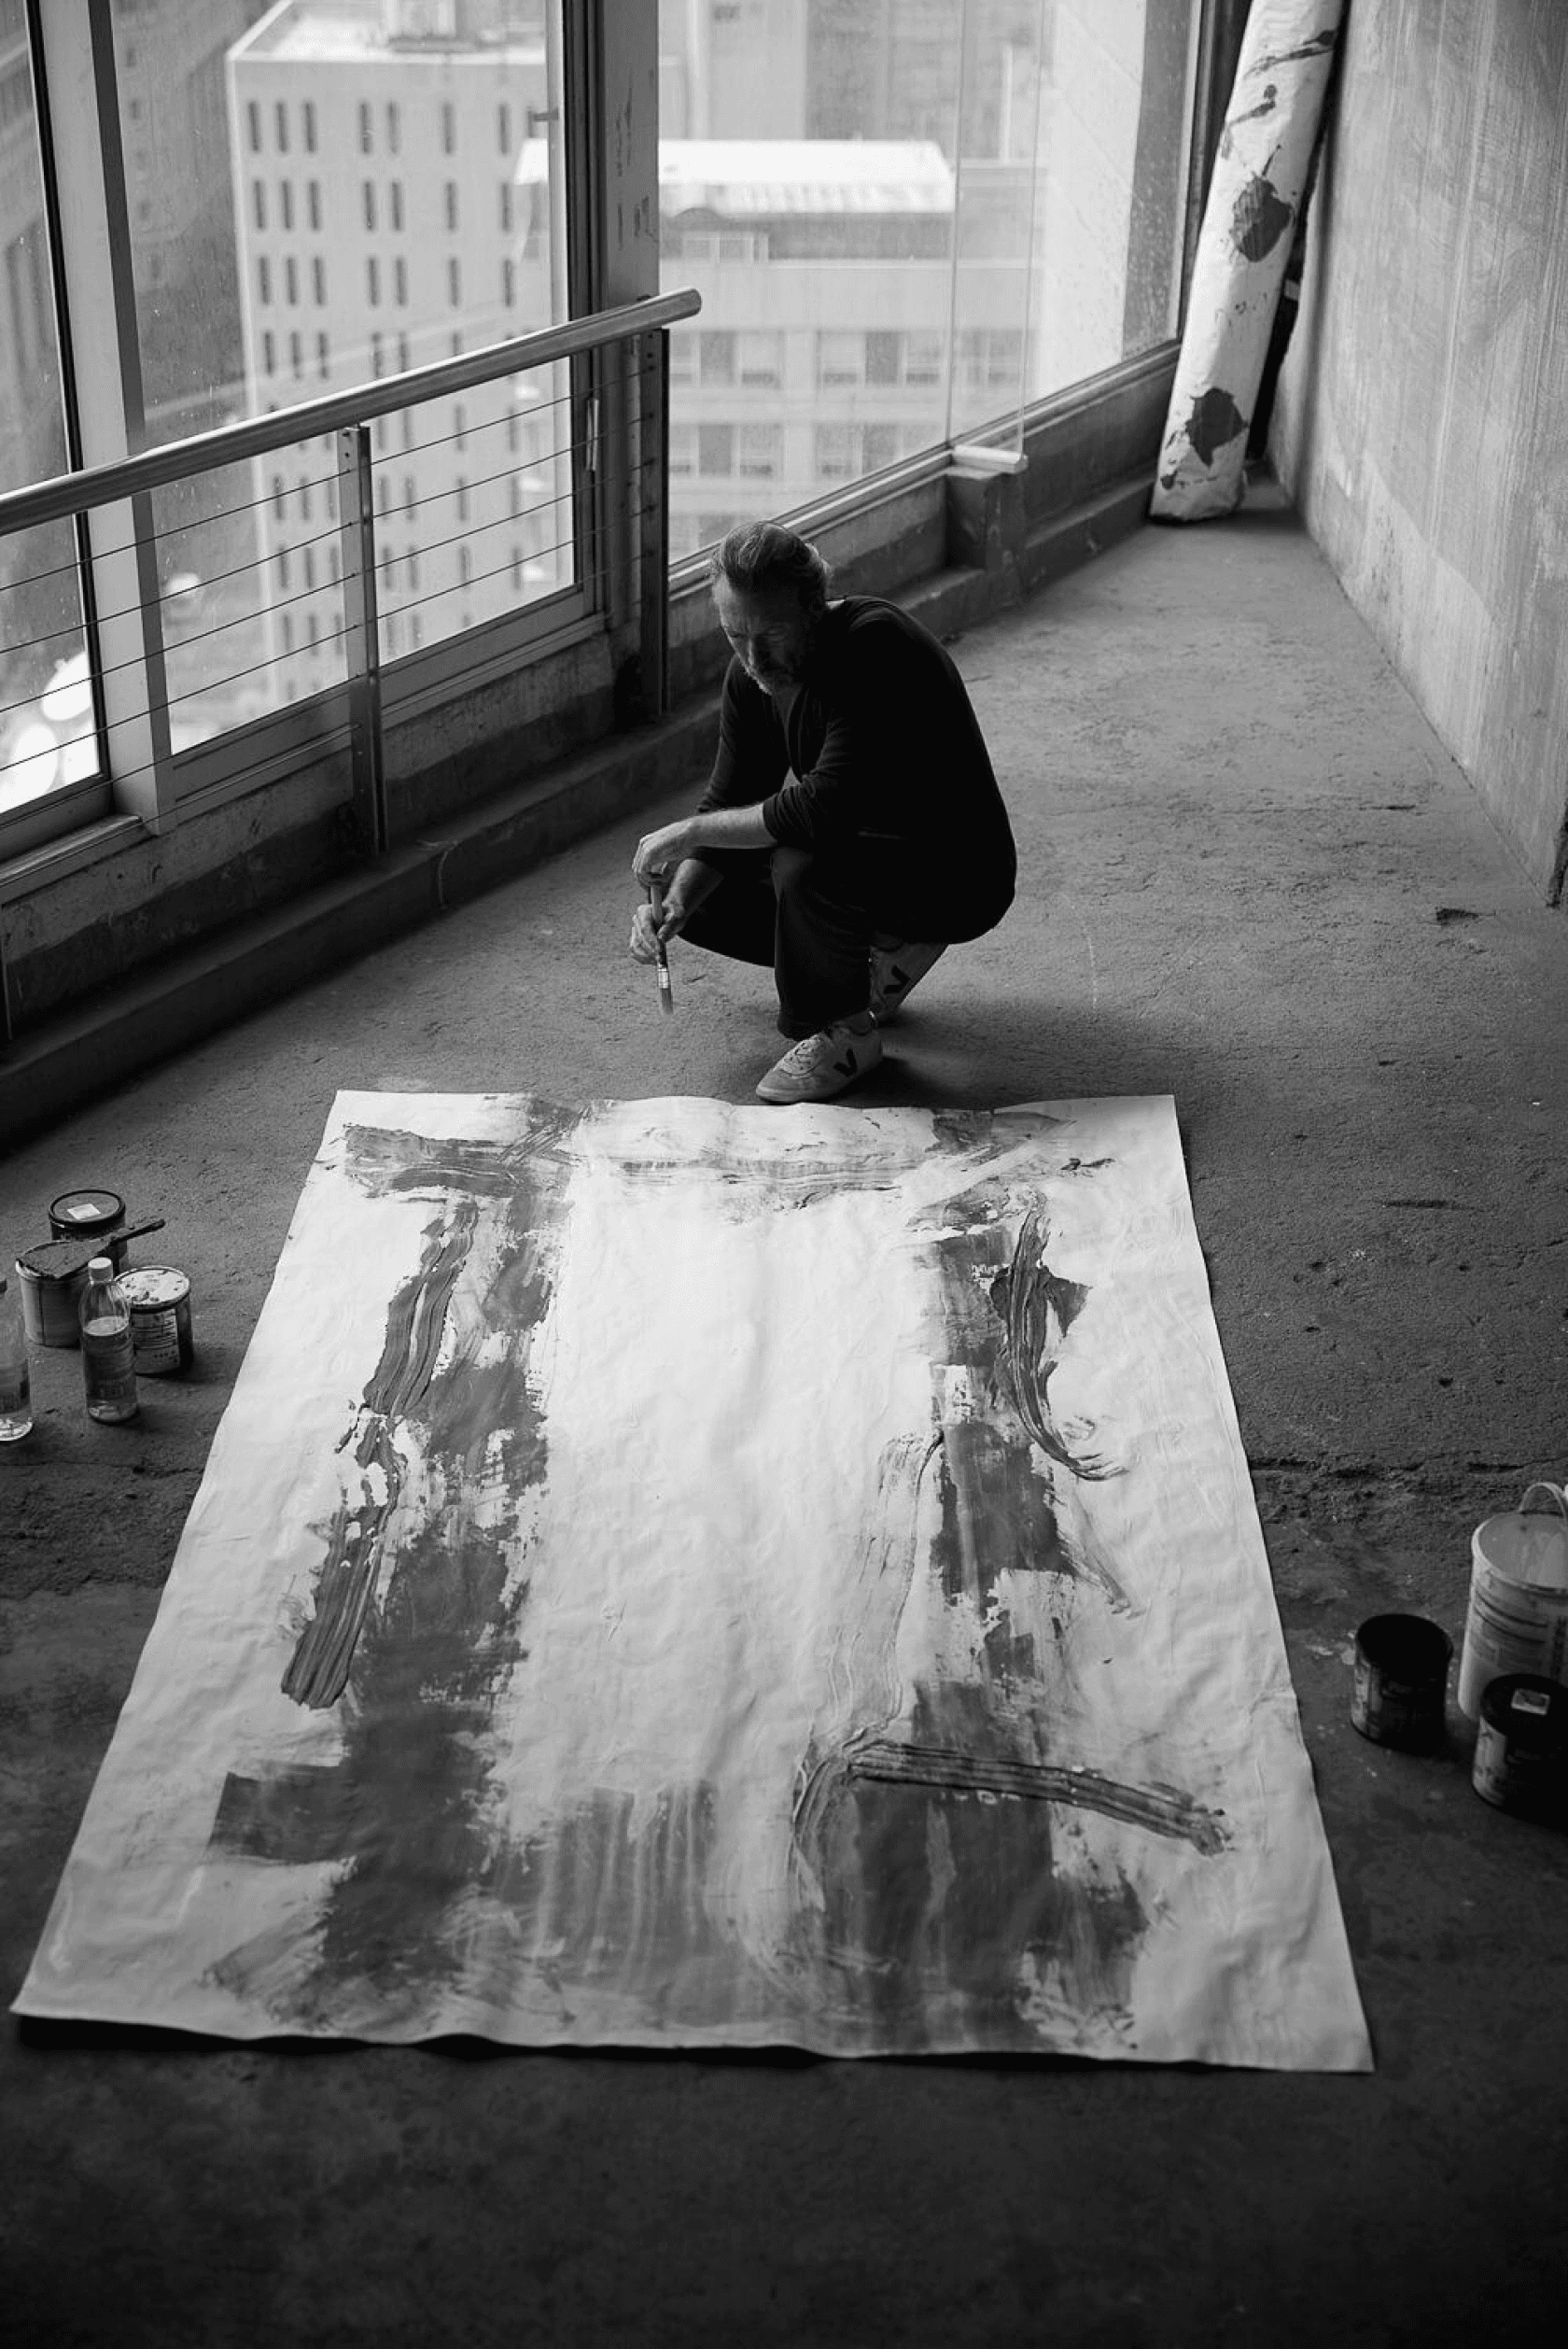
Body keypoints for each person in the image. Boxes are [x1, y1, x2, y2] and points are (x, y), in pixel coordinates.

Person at [629, 522, 1016, 1104]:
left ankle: (847, 1034)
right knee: (702, 894)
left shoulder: (875, 646)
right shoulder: (752, 679)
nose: (754, 658)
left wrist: (688, 831)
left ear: (814, 608)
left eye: (771, 634)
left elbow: (821, 809)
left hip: (957, 874)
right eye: (735, 635)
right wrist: (677, 901)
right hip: (873, 854)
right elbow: (731, 800)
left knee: (801, 860)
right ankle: (880, 956)